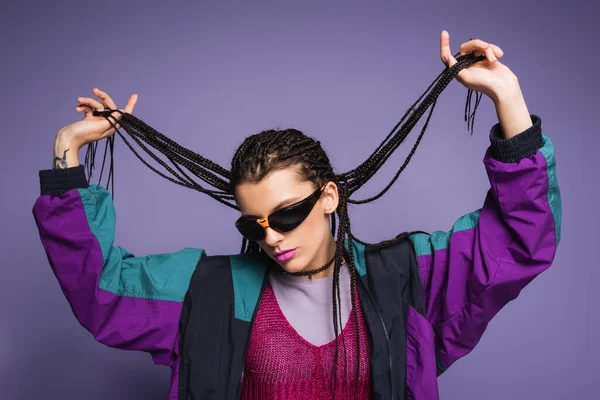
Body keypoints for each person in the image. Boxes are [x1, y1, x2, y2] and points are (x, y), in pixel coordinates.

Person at [32, 31, 561, 400]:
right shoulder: (206, 292)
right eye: (252, 224)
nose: (271, 237)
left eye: (286, 214)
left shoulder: (404, 279)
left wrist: (507, 96)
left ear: (329, 197)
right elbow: (99, 290)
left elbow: (521, 241)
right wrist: (66, 151)